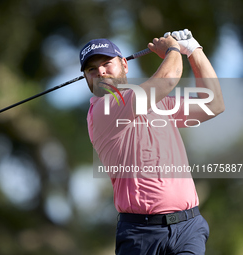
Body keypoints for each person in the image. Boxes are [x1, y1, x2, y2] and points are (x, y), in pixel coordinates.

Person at [80, 29, 225, 255]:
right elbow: (168, 79)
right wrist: (173, 48)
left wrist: (194, 50)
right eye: (91, 69)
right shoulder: (103, 110)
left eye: (107, 63)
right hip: (141, 234)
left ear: (124, 66)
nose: (100, 71)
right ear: (87, 78)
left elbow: (214, 103)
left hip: (188, 227)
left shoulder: (160, 105)